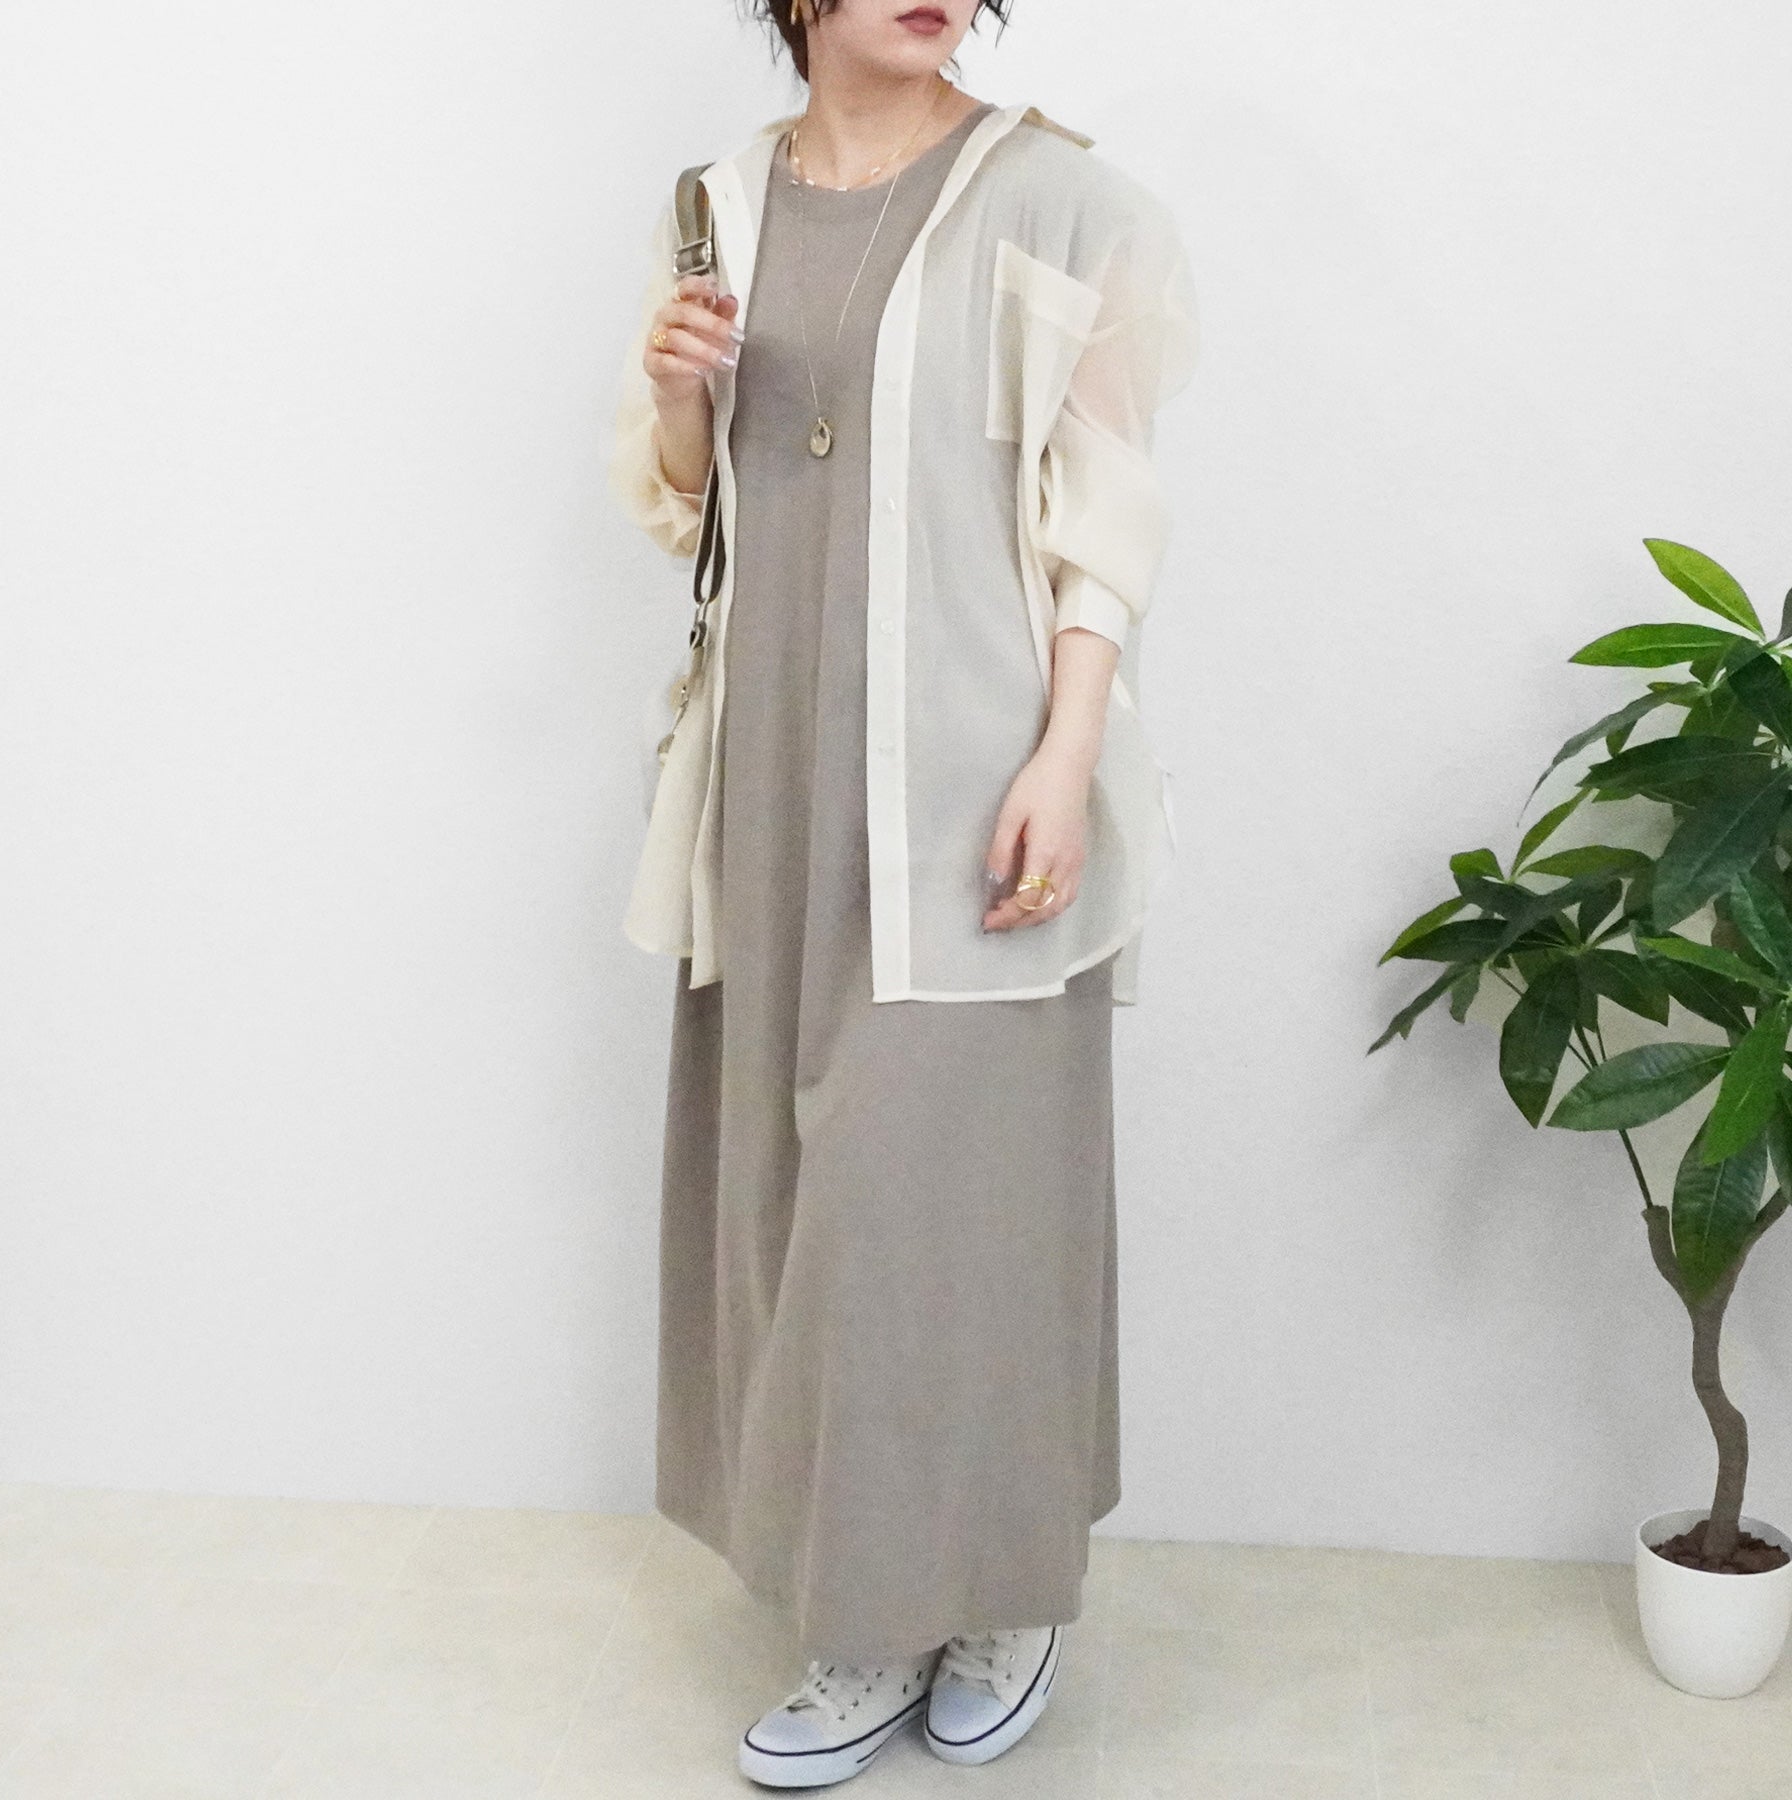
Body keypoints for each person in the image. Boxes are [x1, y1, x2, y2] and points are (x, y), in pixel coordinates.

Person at [606, 0, 1196, 1785]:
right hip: (778, 775)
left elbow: (1108, 508)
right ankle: (864, 1613)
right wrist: (677, 395)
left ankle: (999, 1593)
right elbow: (685, 510)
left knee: (961, 1202)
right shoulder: (716, 203)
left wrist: (1066, 754)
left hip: (974, 784)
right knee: (797, 1201)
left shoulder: (1063, 201)